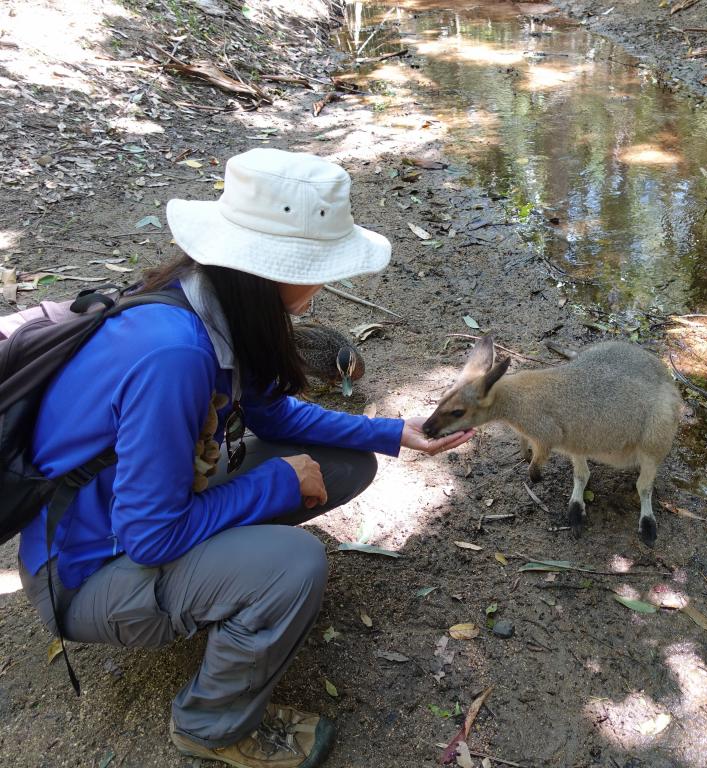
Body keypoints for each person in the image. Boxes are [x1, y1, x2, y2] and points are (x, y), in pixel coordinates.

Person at [17, 147, 473, 768]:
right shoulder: (173, 356)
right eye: (320, 265)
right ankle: (212, 727)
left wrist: (393, 433)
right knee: (293, 565)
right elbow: (149, 537)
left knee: (345, 461)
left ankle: (231, 587)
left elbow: (271, 414)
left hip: (138, 515)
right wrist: (278, 484)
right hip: (87, 571)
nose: (325, 280)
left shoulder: (212, 301)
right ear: (275, 268)